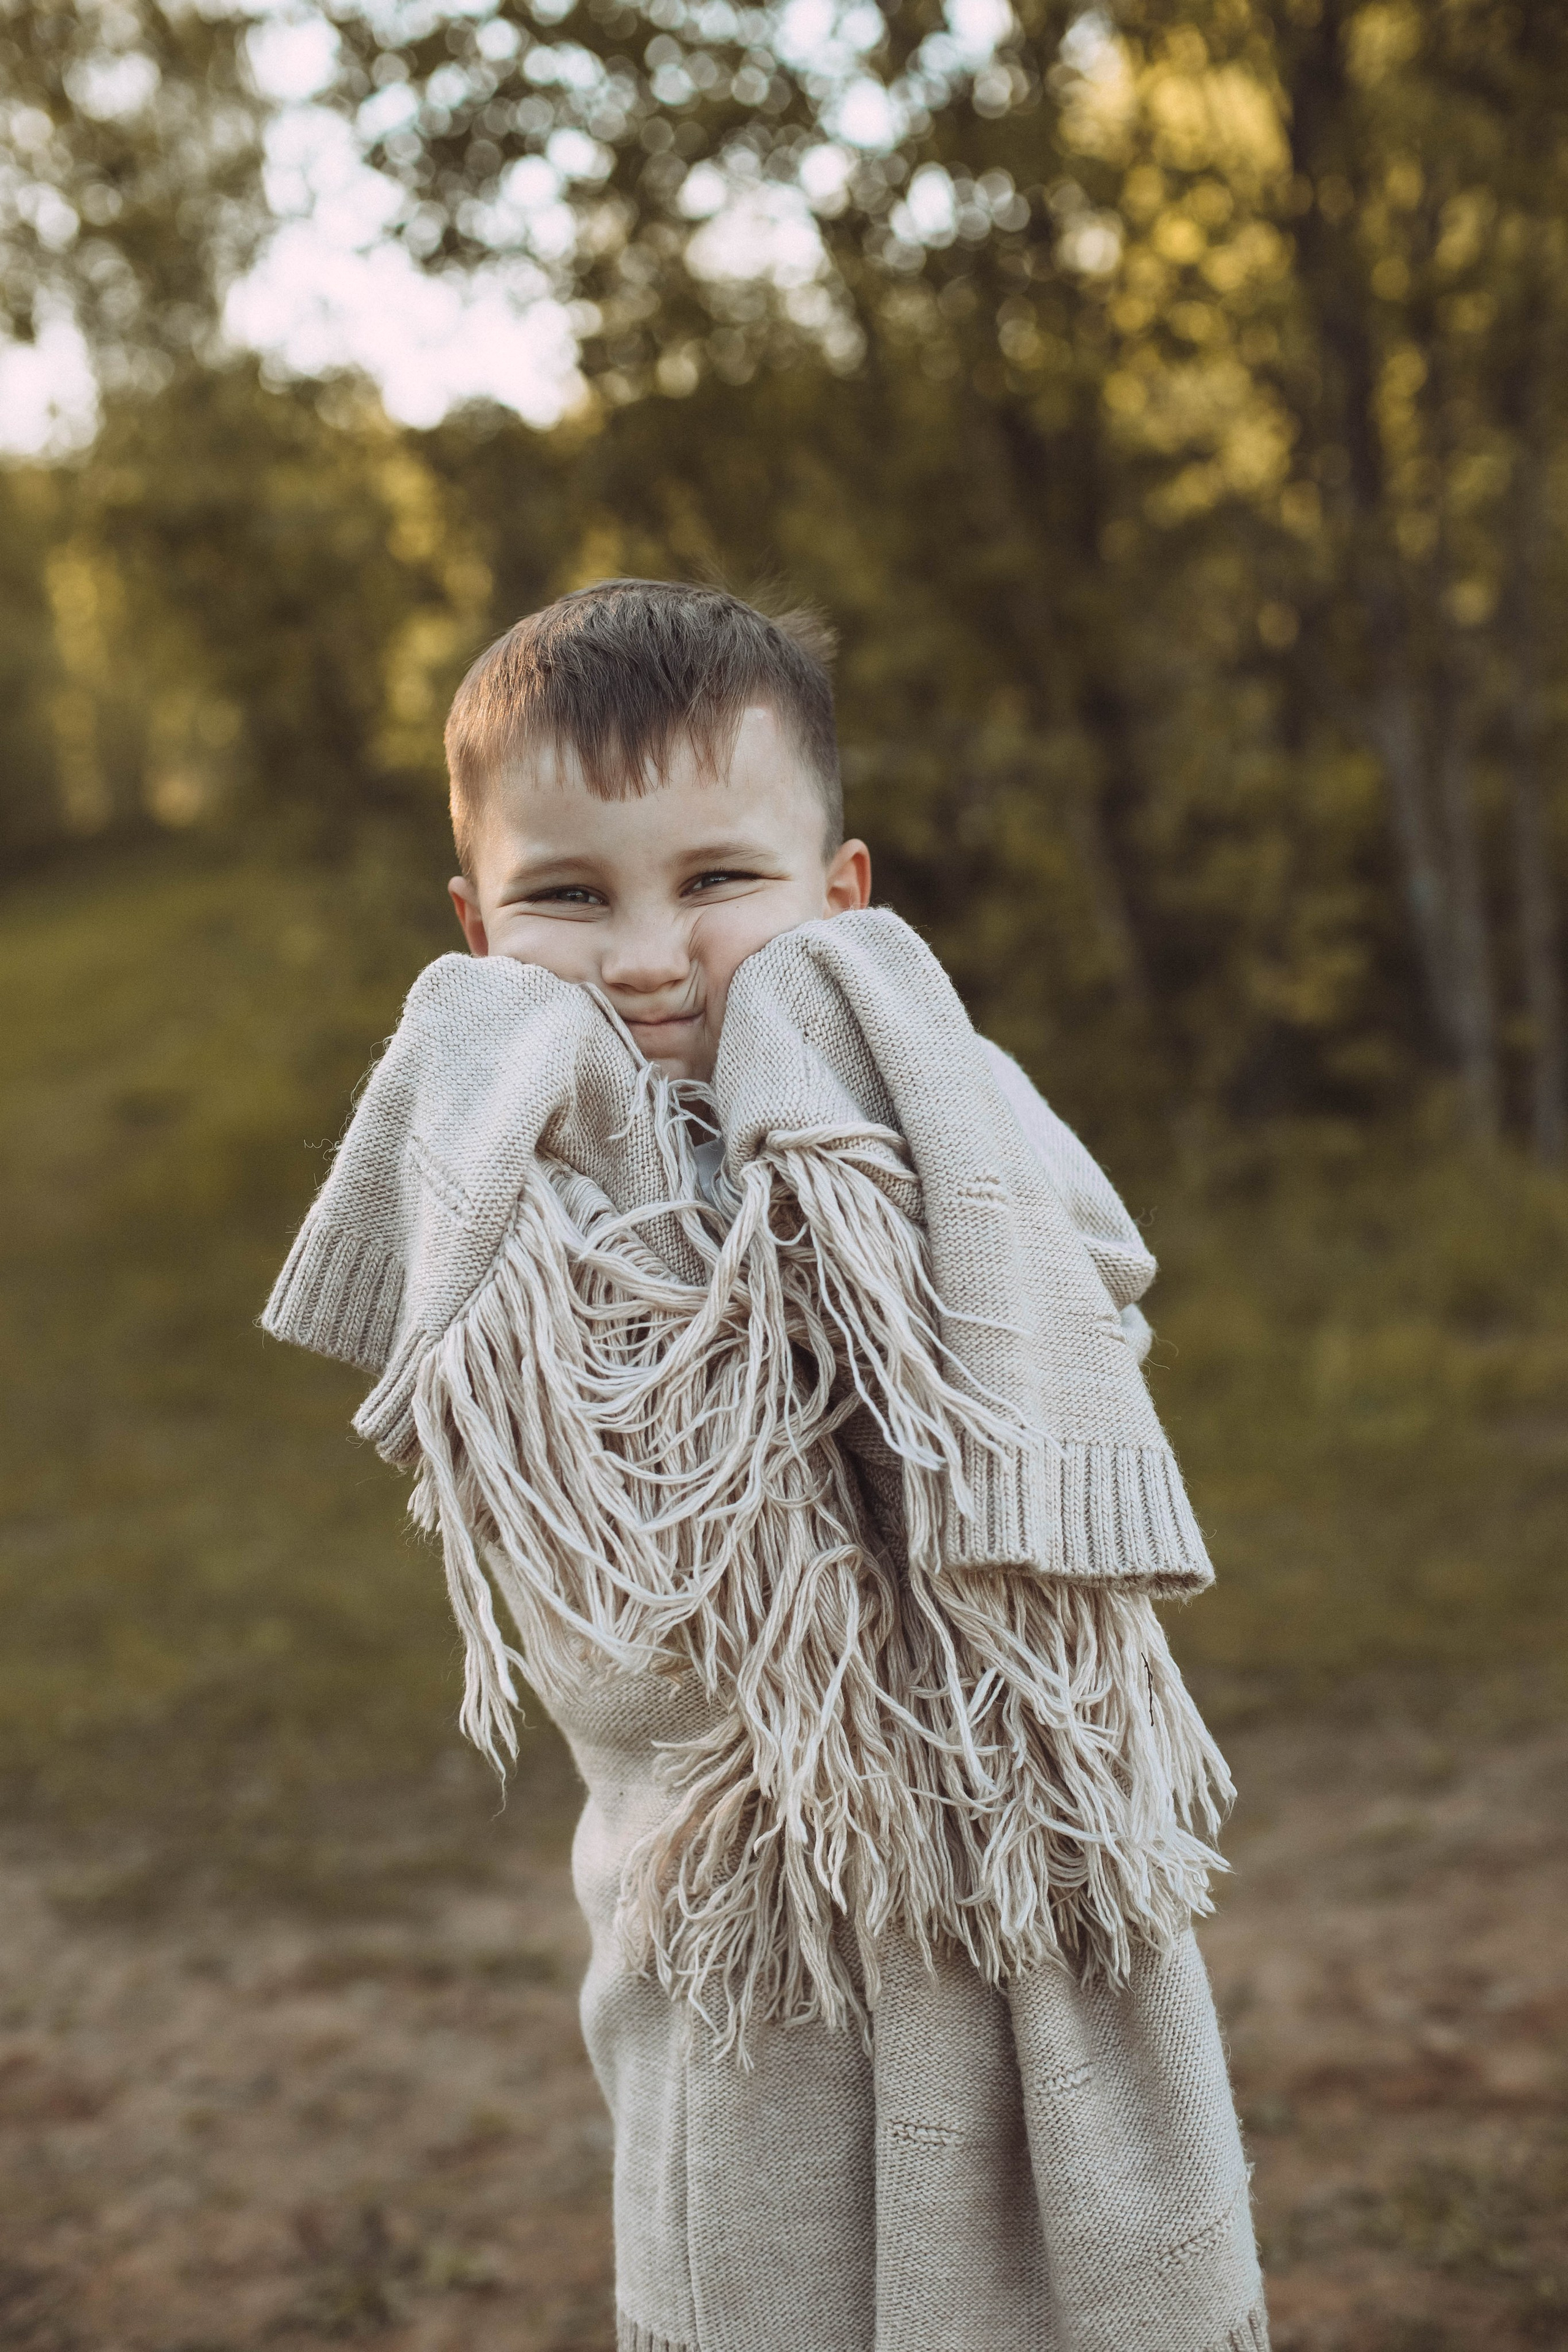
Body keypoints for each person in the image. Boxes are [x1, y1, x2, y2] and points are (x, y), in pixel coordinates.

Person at [264, 579, 1268, 2352]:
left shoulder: (946, 1127)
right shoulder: (529, 1212)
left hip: (1009, 1869)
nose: (648, 957)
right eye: (568, 898)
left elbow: (1081, 1313)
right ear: (473, 929)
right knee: (758, 2276)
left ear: (842, 897)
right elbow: (612, 1608)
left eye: (717, 882)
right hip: (733, 1934)